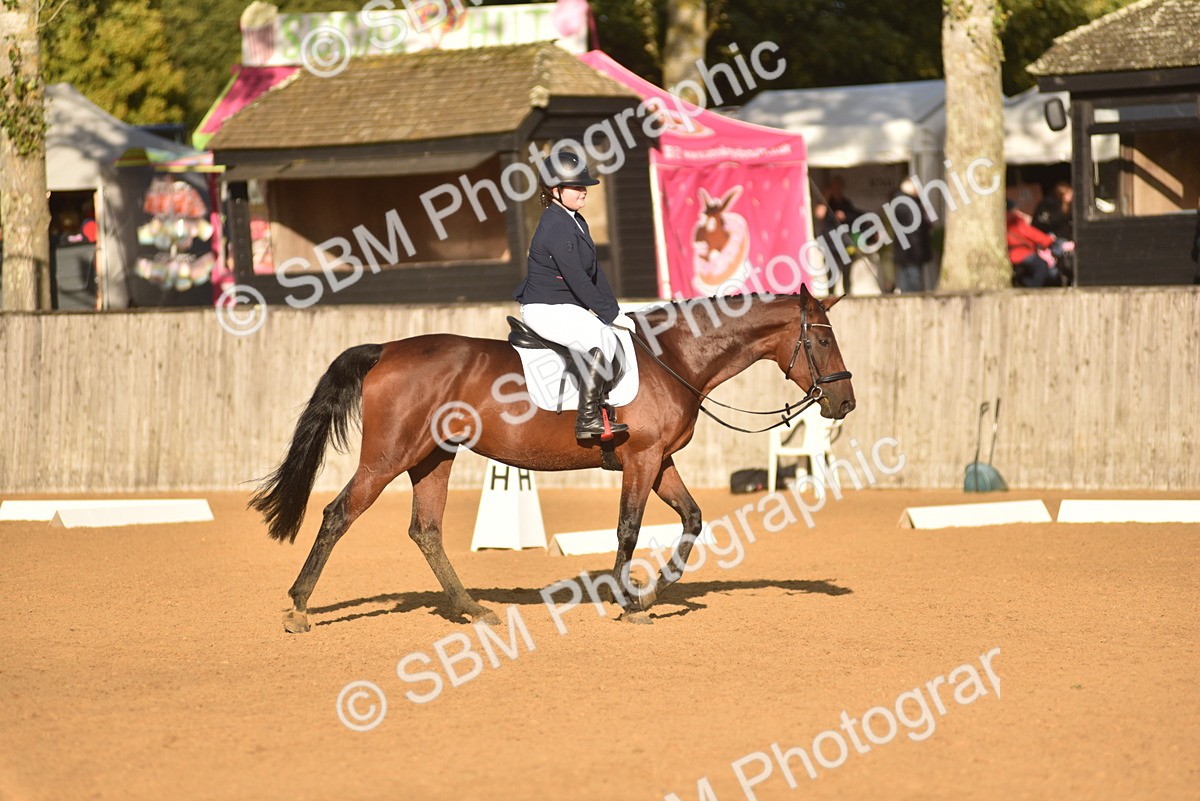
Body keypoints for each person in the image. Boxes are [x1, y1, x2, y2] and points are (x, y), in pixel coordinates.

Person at [513, 149, 634, 439]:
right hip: (546, 308)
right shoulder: (556, 226)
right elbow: (578, 280)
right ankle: (587, 419)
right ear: (555, 190)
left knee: (608, 333)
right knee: (599, 339)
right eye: (577, 187)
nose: (583, 192)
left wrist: (614, 310)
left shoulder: (576, 221)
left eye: (584, 186)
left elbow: (594, 272)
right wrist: (607, 315)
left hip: (563, 306)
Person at [1006, 199, 1062, 287]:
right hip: (1021, 254)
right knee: (1041, 266)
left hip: (1011, 254)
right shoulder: (1016, 223)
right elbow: (1034, 235)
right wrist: (1049, 240)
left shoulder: (1005, 224)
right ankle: (1033, 289)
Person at [890, 179, 933, 293]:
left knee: (904, 278)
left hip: (903, 249)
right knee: (913, 280)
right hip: (913, 249)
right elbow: (916, 225)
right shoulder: (911, 204)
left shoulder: (897, 202)